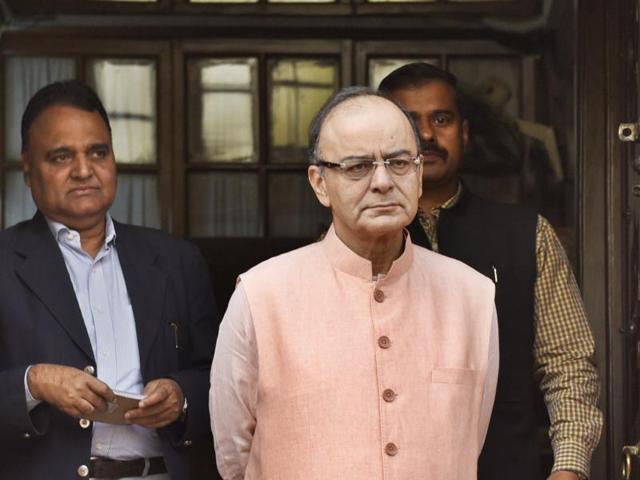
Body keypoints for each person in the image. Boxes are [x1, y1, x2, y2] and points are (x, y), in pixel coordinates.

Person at [210, 86, 499, 480]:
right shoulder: (262, 296)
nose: (382, 181)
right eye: (357, 166)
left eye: (398, 162)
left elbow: (469, 439)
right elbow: (234, 459)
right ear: (319, 183)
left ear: (417, 175)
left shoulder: (472, 297)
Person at [378, 62, 603, 480]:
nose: (427, 134)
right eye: (410, 123)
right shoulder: (355, 243)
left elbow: (567, 366)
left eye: (441, 119)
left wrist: (569, 467)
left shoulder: (528, 235)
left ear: (464, 133)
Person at [0, 80, 218, 479]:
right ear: (28, 169)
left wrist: (182, 396)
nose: (84, 171)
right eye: (61, 156)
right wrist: (33, 384)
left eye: (98, 152)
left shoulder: (176, 260)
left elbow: (224, 380)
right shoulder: (5, 262)